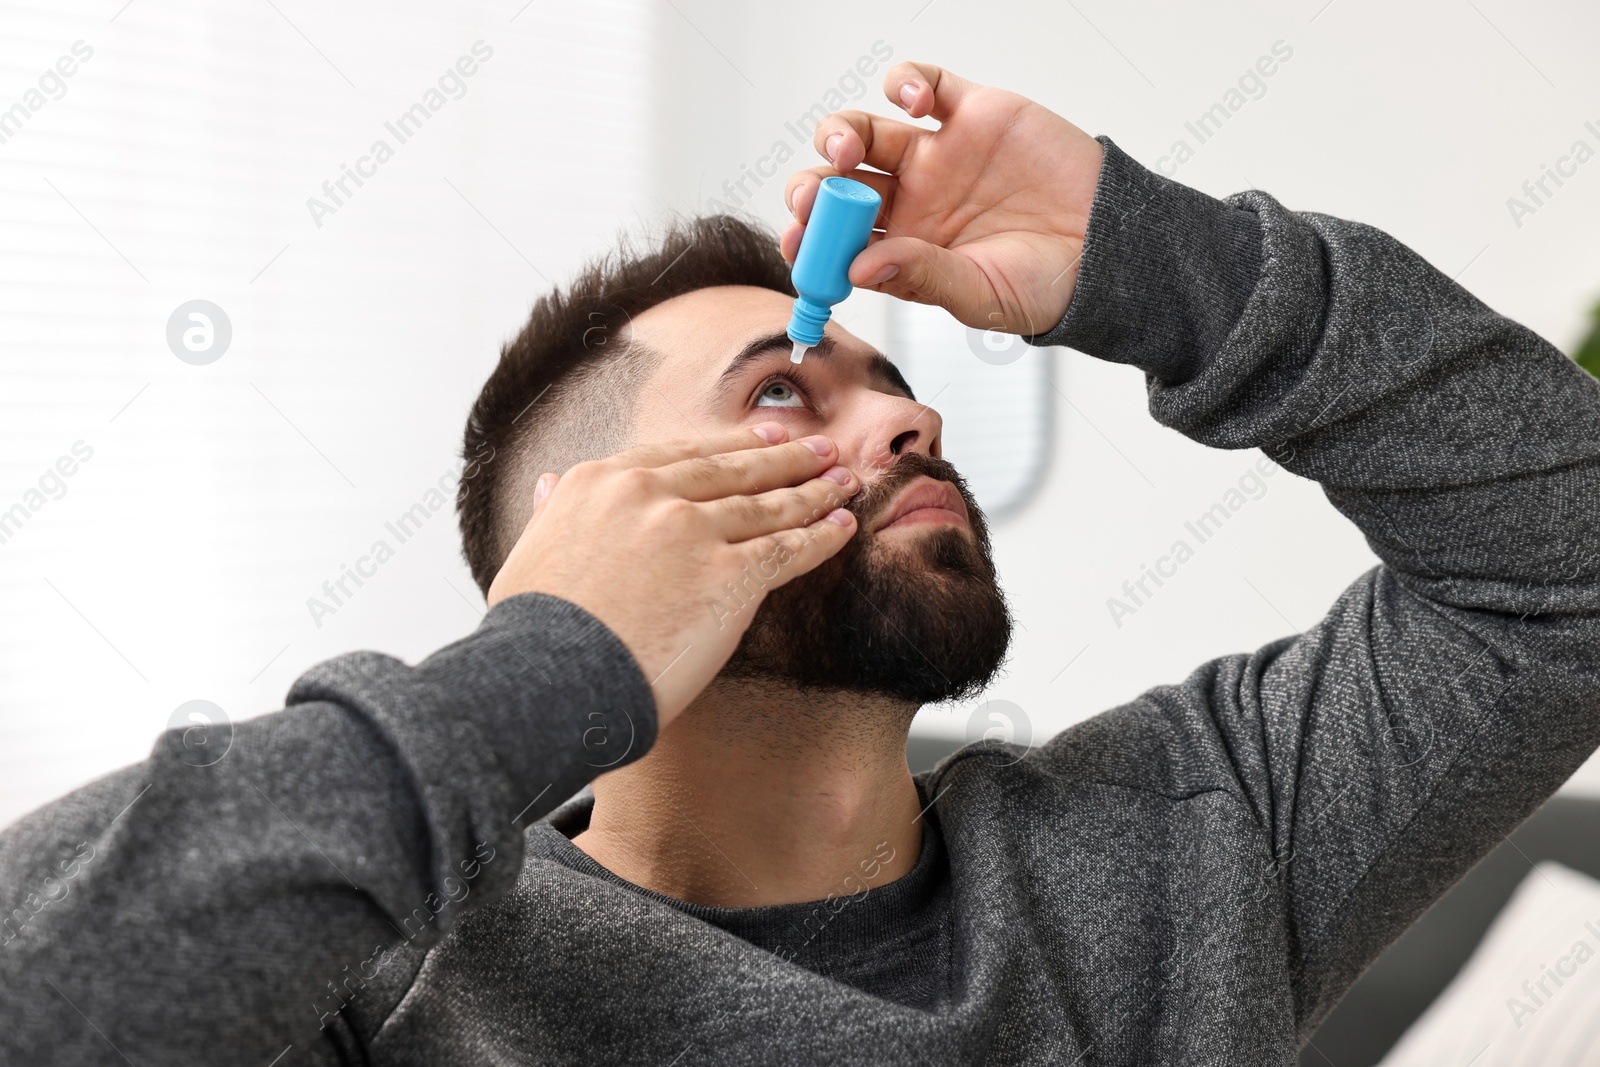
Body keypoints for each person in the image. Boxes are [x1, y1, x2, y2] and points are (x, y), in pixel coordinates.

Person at [3, 61, 1598, 1066]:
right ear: (588, 526)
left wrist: (1146, 254)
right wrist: (549, 666)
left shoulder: (1196, 847)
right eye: (785, 391)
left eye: (894, 390)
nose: (906, 428)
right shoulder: (396, 983)